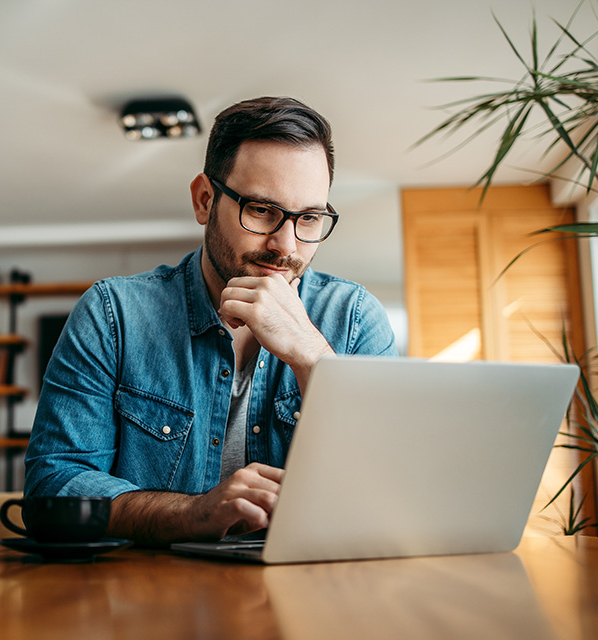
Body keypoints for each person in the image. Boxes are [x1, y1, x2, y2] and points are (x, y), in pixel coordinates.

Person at [24, 96, 397, 545]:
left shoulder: (355, 319)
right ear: (204, 201)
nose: (286, 245)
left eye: (310, 218)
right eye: (261, 210)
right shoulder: (113, 314)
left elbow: (394, 495)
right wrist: (193, 513)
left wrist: (312, 358)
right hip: (147, 599)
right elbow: (54, 487)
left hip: (307, 597)